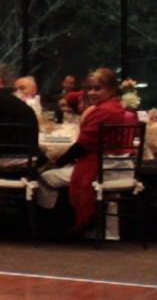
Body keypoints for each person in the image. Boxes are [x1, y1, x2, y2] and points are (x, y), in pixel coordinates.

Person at [37, 68, 132, 234]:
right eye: (90, 88)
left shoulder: (104, 111)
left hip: (102, 168)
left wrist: (56, 162)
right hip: (114, 165)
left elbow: (83, 146)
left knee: (46, 177)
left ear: (111, 89)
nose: (91, 93)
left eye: (98, 88)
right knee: (56, 169)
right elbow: (71, 97)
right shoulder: (114, 106)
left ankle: (49, 224)